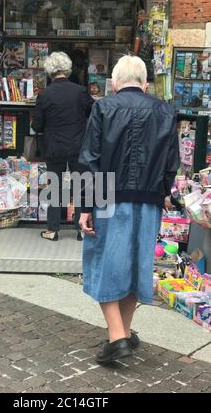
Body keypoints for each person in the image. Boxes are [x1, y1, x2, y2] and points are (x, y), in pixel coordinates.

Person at [79, 55, 180, 366]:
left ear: (113, 83)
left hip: (108, 196)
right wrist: (163, 192)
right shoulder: (165, 110)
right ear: (145, 83)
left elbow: (90, 159)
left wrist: (85, 207)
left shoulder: (104, 107)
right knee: (136, 263)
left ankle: (118, 336)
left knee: (103, 262)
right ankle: (121, 331)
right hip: (149, 198)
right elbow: (171, 162)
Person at [32, 52, 94, 242]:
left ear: (50, 70)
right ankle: (80, 229)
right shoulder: (80, 91)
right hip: (78, 145)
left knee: (56, 187)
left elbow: (37, 125)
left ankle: (53, 229)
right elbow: (93, 112)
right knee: (81, 186)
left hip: (54, 147)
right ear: (67, 69)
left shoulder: (45, 94)